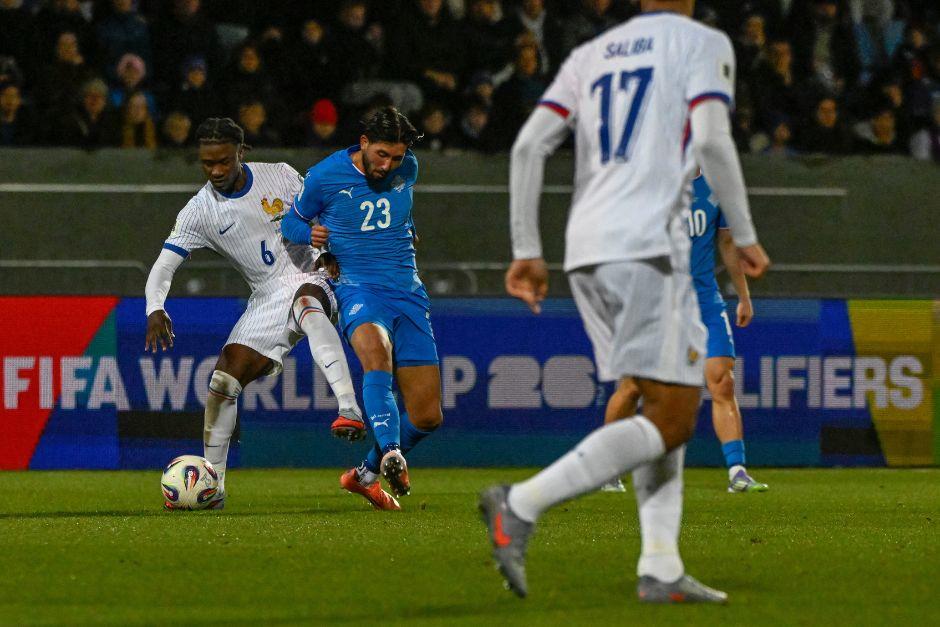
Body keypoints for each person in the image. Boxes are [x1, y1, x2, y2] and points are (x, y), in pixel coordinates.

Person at [479, 0, 770, 603]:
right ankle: (521, 504)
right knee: (674, 416)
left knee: (665, 400)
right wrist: (743, 233)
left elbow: (528, 146)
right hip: (649, 247)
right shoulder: (701, 42)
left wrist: (526, 248)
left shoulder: (590, 54)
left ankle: (660, 566)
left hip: (587, 247)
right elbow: (712, 139)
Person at [144, 118, 366, 509]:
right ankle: (213, 487)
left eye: (223, 161)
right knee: (223, 381)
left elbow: (324, 212)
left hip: (313, 273)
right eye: (207, 163)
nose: (215, 170)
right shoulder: (199, 211)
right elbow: (164, 266)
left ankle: (348, 408)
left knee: (307, 303)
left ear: (241, 152)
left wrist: (332, 250)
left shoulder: (279, 175)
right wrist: (155, 307)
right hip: (266, 296)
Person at [282, 107, 443, 511]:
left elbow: (398, 211)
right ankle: (391, 451)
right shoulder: (325, 175)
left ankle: (366, 474)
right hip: (357, 288)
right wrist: (311, 234)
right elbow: (289, 224)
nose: (387, 165)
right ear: (364, 142)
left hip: (408, 292)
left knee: (427, 416)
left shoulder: (409, 168)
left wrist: (409, 229)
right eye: (381, 155)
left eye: (396, 157)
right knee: (377, 358)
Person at [600, 174, 768, 494]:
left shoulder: (717, 187)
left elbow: (728, 244)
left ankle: (737, 472)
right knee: (633, 387)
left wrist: (744, 297)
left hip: (704, 301)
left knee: (723, 381)